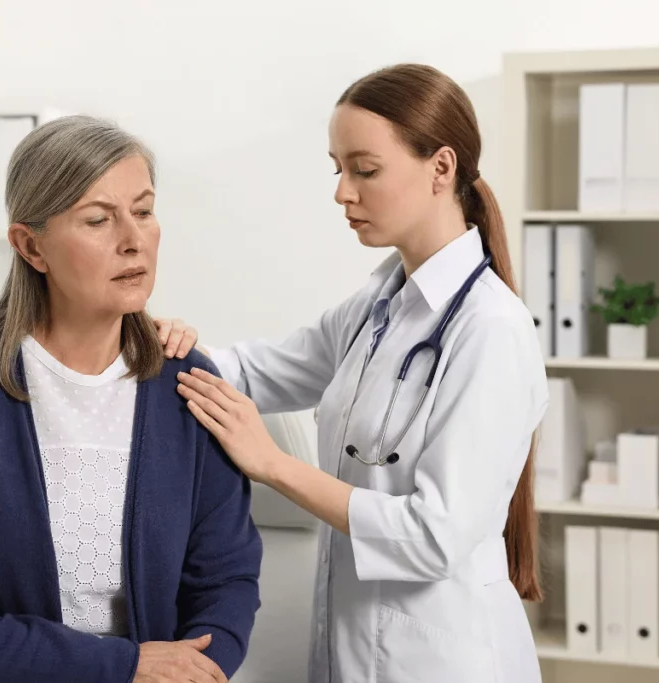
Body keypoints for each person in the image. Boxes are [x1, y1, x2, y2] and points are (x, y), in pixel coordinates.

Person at [165, 63, 549, 683]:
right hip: (354, 653)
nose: (343, 191)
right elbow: (255, 370)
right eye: (337, 169)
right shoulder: (379, 306)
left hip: (446, 663)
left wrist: (272, 464)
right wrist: (156, 346)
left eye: (365, 170)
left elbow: (432, 536)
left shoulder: (491, 331)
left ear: (441, 168)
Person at [0, 115, 263, 683]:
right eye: (99, 219)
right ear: (31, 246)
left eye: (145, 211)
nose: (133, 239)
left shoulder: (188, 381)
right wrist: (123, 667)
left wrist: (195, 670)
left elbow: (225, 580)